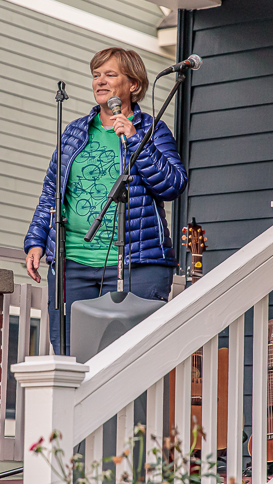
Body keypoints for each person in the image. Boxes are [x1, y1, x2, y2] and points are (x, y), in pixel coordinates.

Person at [24, 47, 187, 354]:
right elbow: (52, 192)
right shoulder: (74, 132)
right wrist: (36, 239)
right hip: (73, 263)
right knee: (70, 356)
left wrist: (137, 137)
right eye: (96, 75)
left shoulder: (152, 129)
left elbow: (172, 185)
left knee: (132, 358)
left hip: (136, 265)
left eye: (110, 75)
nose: (100, 81)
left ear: (133, 85)